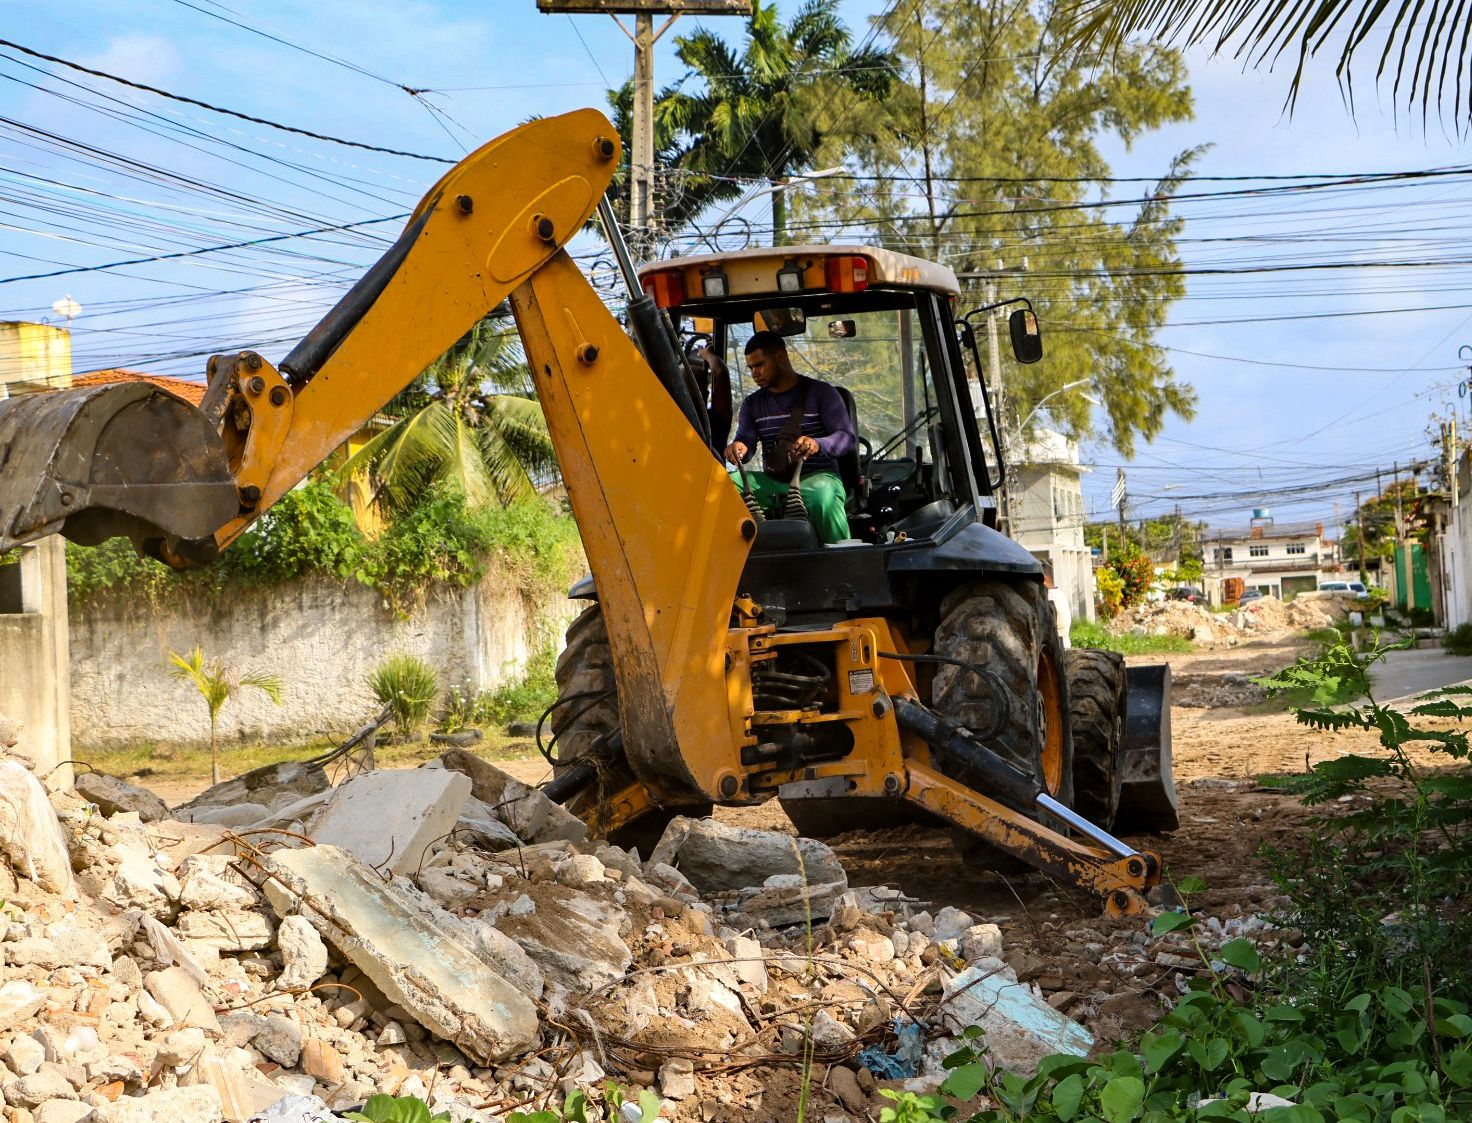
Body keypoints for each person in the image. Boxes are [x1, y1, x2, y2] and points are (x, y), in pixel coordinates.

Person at [722, 331, 855, 544]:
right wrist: (739, 447)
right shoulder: (752, 404)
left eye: (759, 365)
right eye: (751, 368)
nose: (755, 373)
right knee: (725, 485)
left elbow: (846, 438)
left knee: (822, 496)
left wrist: (817, 444)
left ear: (781, 357)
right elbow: (746, 441)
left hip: (817, 479)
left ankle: (842, 556)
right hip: (774, 482)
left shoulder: (822, 393)